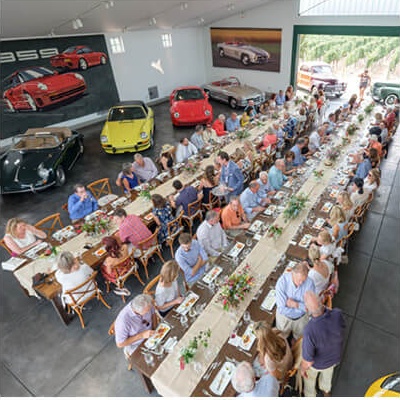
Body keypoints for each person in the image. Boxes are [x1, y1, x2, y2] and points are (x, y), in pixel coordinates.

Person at [301, 291, 346, 397]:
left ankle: (310, 395)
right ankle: (326, 390)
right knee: (327, 376)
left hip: (317, 364)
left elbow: (308, 361)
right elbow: (342, 326)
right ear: (322, 301)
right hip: (334, 359)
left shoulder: (309, 330)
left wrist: (302, 369)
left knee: (309, 380)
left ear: (307, 310)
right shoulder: (337, 313)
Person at [275, 261, 316, 340]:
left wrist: (295, 304)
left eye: (303, 281)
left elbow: (310, 308)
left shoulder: (310, 283)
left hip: (301, 320)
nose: (301, 283)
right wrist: (302, 307)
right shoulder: (282, 282)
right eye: (299, 280)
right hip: (284, 319)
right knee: (281, 338)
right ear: (292, 273)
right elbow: (281, 308)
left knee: (299, 339)